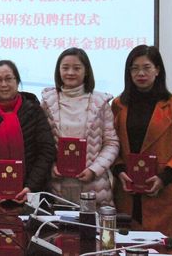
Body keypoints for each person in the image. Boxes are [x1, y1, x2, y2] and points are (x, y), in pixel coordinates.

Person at [111, 45, 172, 237]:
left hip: (162, 191)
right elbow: (111, 144)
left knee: (161, 248)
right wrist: (119, 170)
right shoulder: (118, 104)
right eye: (134, 68)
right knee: (125, 245)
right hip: (127, 193)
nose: (140, 73)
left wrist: (165, 177)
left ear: (157, 70)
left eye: (146, 67)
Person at [41, 47, 119, 206]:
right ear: (58, 71)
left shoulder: (101, 102)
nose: (70, 72)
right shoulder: (47, 102)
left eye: (76, 68)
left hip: (94, 187)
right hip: (57, 187)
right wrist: (50, 166)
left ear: (86, 71)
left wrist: (94, 170)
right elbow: (41, 144)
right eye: (65, 68)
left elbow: (111, 143)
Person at [0, 60, 55, 205]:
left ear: (17, 81)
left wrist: (30, 187)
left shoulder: (34, 111)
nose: (4, 84)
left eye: (8, 79)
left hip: (33, 196)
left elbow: (46, 151)